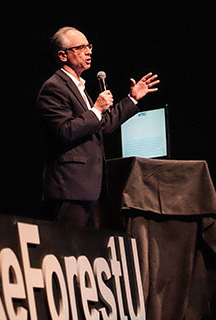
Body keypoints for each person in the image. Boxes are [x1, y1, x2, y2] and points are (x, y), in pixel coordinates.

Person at [36, 26, 159, 227]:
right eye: (80, 47)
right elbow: (64, 131)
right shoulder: (54, 87)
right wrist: (95, 110)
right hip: (70, 188)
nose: (88, 52)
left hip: (92, 188)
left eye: (89, 46)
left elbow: (101, 126)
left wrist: (132, 99)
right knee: (67, 249)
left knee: (89, 253)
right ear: (63, 55)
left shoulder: (80, 87)